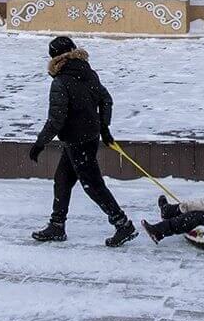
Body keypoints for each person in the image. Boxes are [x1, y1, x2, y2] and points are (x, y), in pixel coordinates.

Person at [29, 36, 136, 247]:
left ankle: (123, 224)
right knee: (62, 178)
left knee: (93, 185)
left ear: (54, 58)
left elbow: (56, 119)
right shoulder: (89, 73)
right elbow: (106, 100)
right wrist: (104, 129)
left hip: (77, 140)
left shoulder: (61, 81)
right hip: (87, 137)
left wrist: (40, 143)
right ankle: (57, 225)